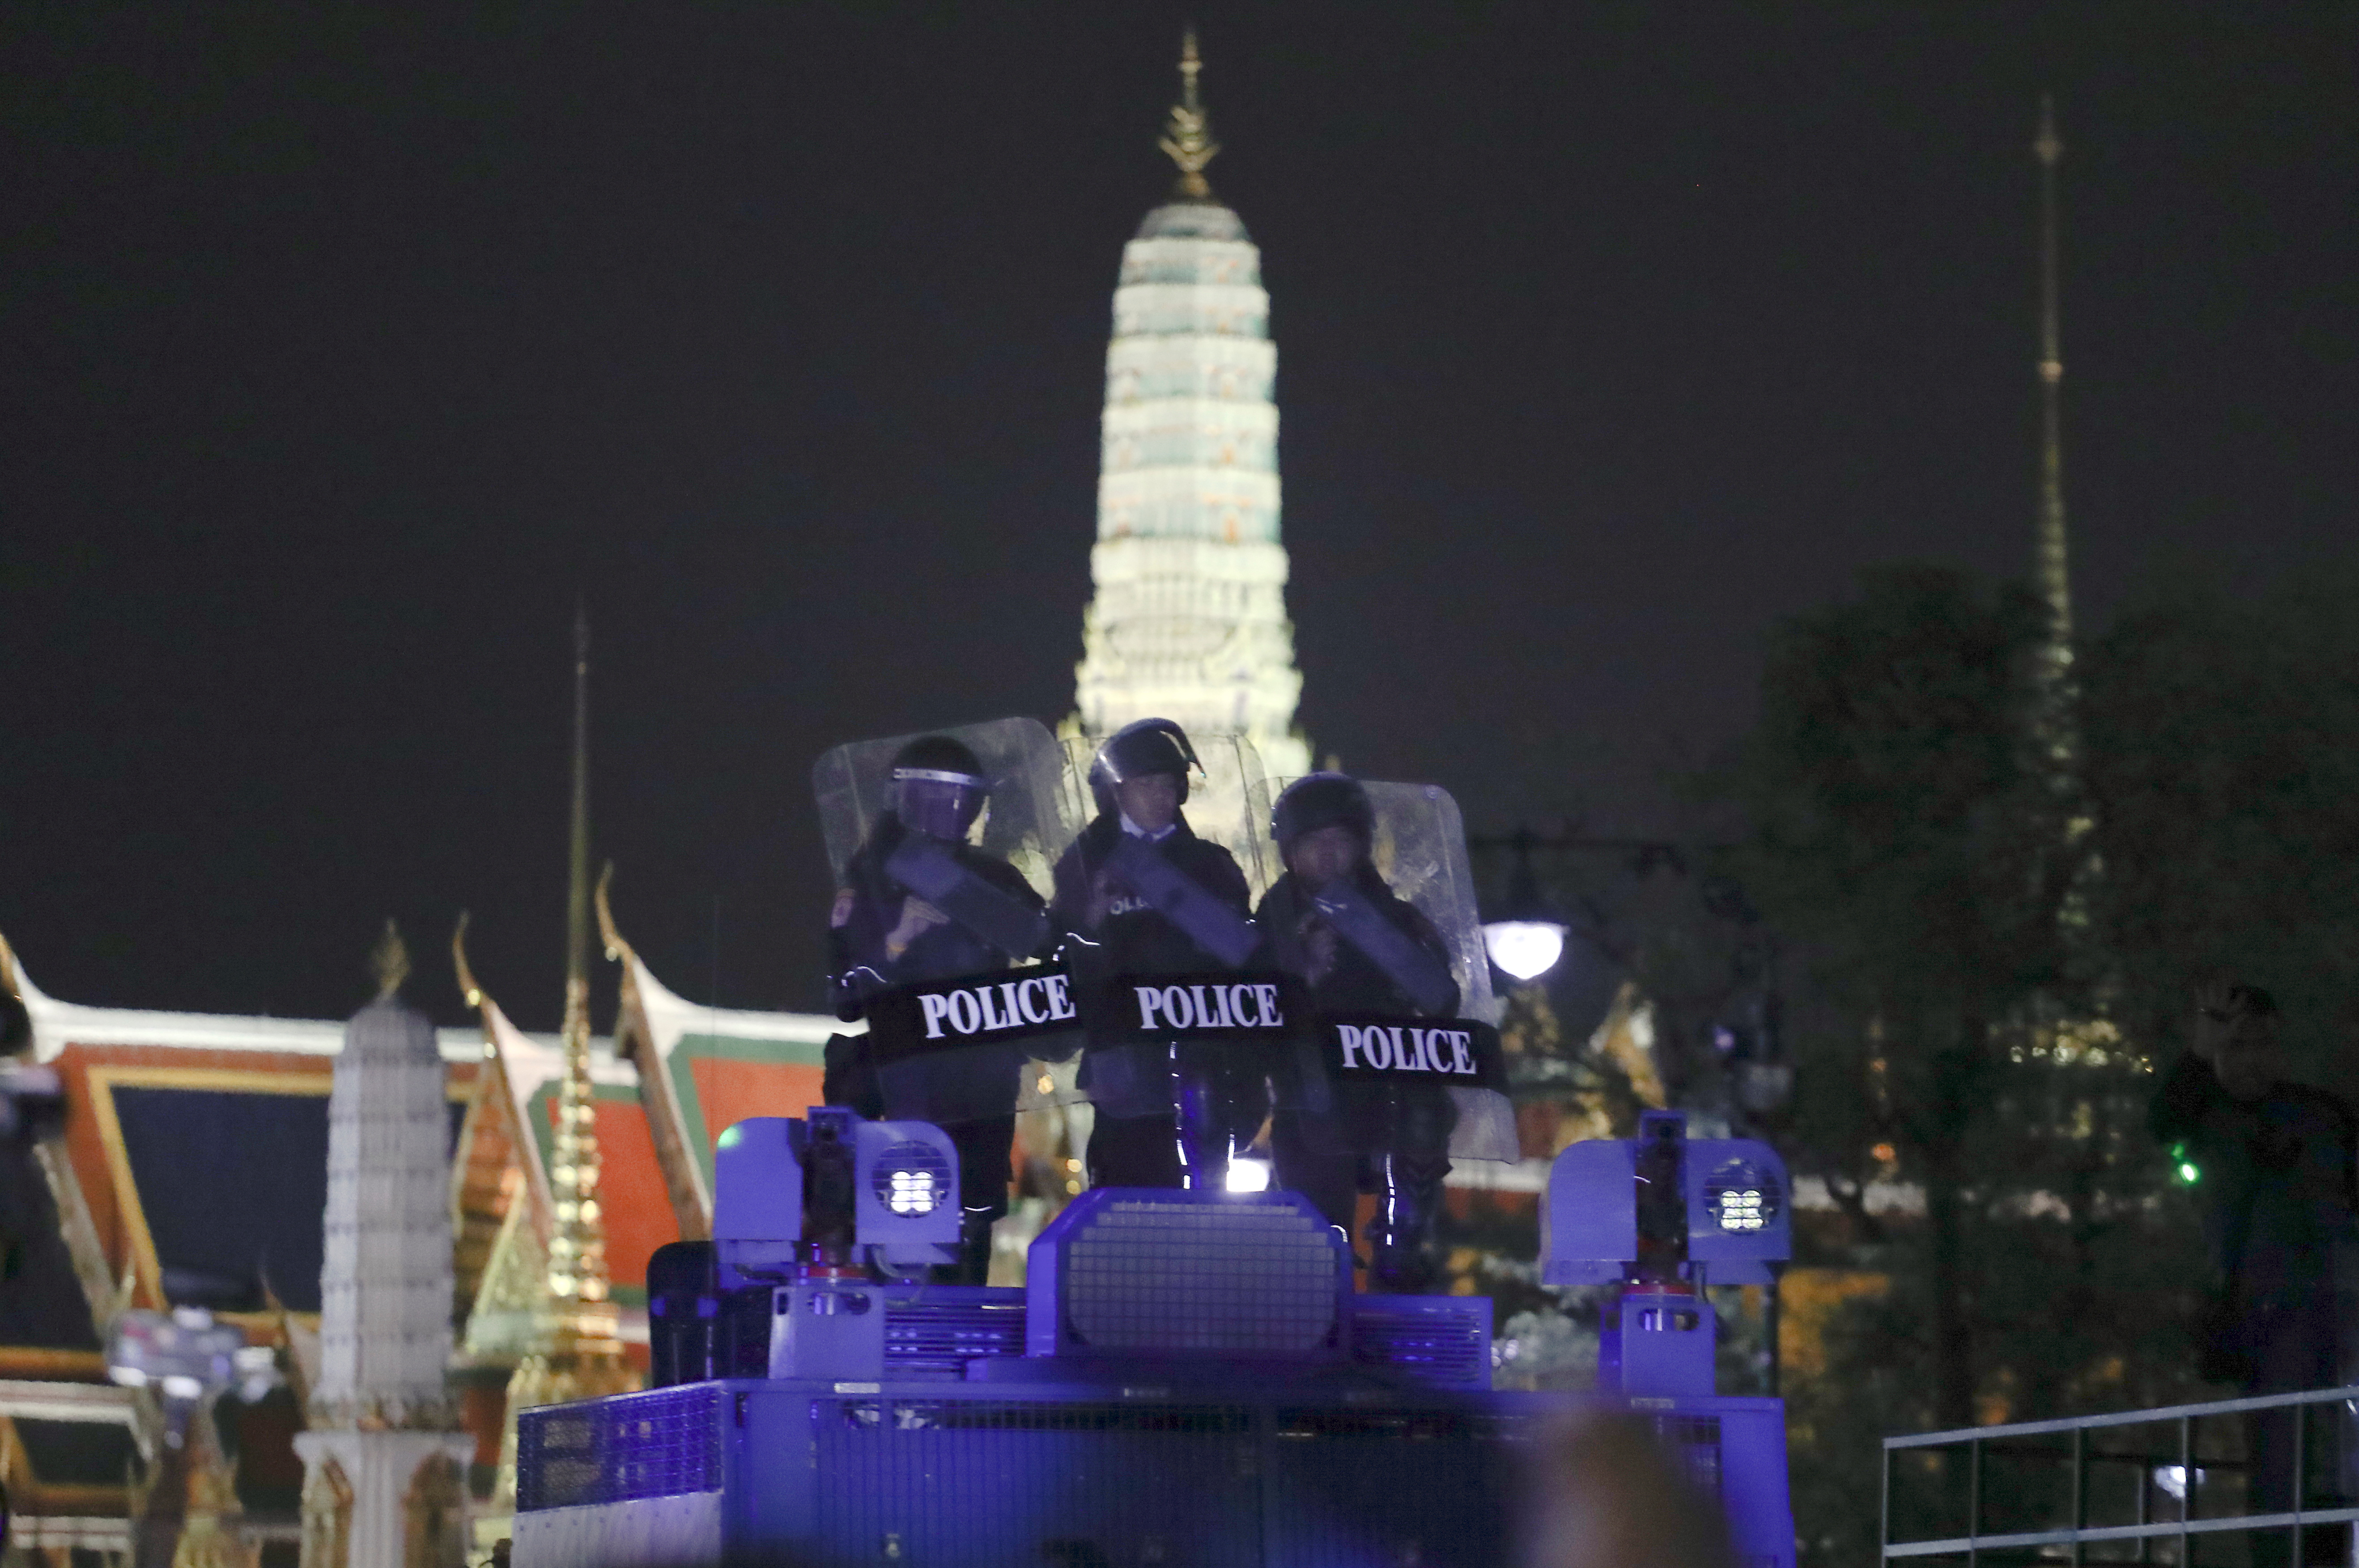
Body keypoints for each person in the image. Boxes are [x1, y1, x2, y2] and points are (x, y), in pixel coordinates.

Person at [825, 734, 1048, 1283]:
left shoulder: (996, 880)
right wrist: (898, 939)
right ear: (902, 800)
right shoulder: (871, 878)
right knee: (897, 1226)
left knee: (970, 1235)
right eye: (929, 798)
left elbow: (1055, 949)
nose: (944, 813)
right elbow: (846, 994)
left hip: (981, 1085)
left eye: (956, 799)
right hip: (905, 1083)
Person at [2151, 982, 2358, 1559]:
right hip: (2261, 1308)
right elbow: (2163, 1118)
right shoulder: (2205, 1114)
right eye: (2235, 1043)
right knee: (2280, 1452)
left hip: (2334, 1297)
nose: (2250, 1057)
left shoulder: (2322, 1114)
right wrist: (2198, 1050)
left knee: (2326, 1450)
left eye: (2262, 1042)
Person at [1257, 772, 1461, 1291]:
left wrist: (1387, 952)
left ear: (1360, 847)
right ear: (1290, 851)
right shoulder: (1272, 923)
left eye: (1339, 842)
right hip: (1308, 1095)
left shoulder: (1396, 917)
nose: (1327, 855)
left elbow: (1441, 997)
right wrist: (1300, 974)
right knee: (1316, 1239)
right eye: (1313, 843)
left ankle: (1402, 1254)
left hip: (1385, 1088)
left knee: (1422, 1115)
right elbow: (1240, 1004)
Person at [1050, 718, 1257, 1191]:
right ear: (1116, 792)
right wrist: (1091, 920)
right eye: (1146, 785)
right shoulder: (1083, 865)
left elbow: (1244, 963)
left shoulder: (1210, 865)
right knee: (1125, 1195)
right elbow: (1057, 957)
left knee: (1202, 1199)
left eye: (1168, 785)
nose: (1160, 796)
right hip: (1120, 1060)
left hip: (1202, 1059)